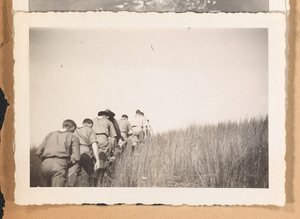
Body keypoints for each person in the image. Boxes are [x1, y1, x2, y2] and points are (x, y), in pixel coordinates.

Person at [36, 119, 80, 187]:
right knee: (57, 193)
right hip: (60, 165)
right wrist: (65, 164)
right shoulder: (73, 137)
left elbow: (38, 152)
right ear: (73, 127)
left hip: (45, 165)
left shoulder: (50, 134)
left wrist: (46, 161)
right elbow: (76, 157)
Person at [68, 118, 103, 187]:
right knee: (92, 173)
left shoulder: (75, 130)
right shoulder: (90, 130)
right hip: (85, 152)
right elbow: (94, 144)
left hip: (74, 152)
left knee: (72, 174)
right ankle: (92, 187)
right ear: (89, 124)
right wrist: (97, 160)